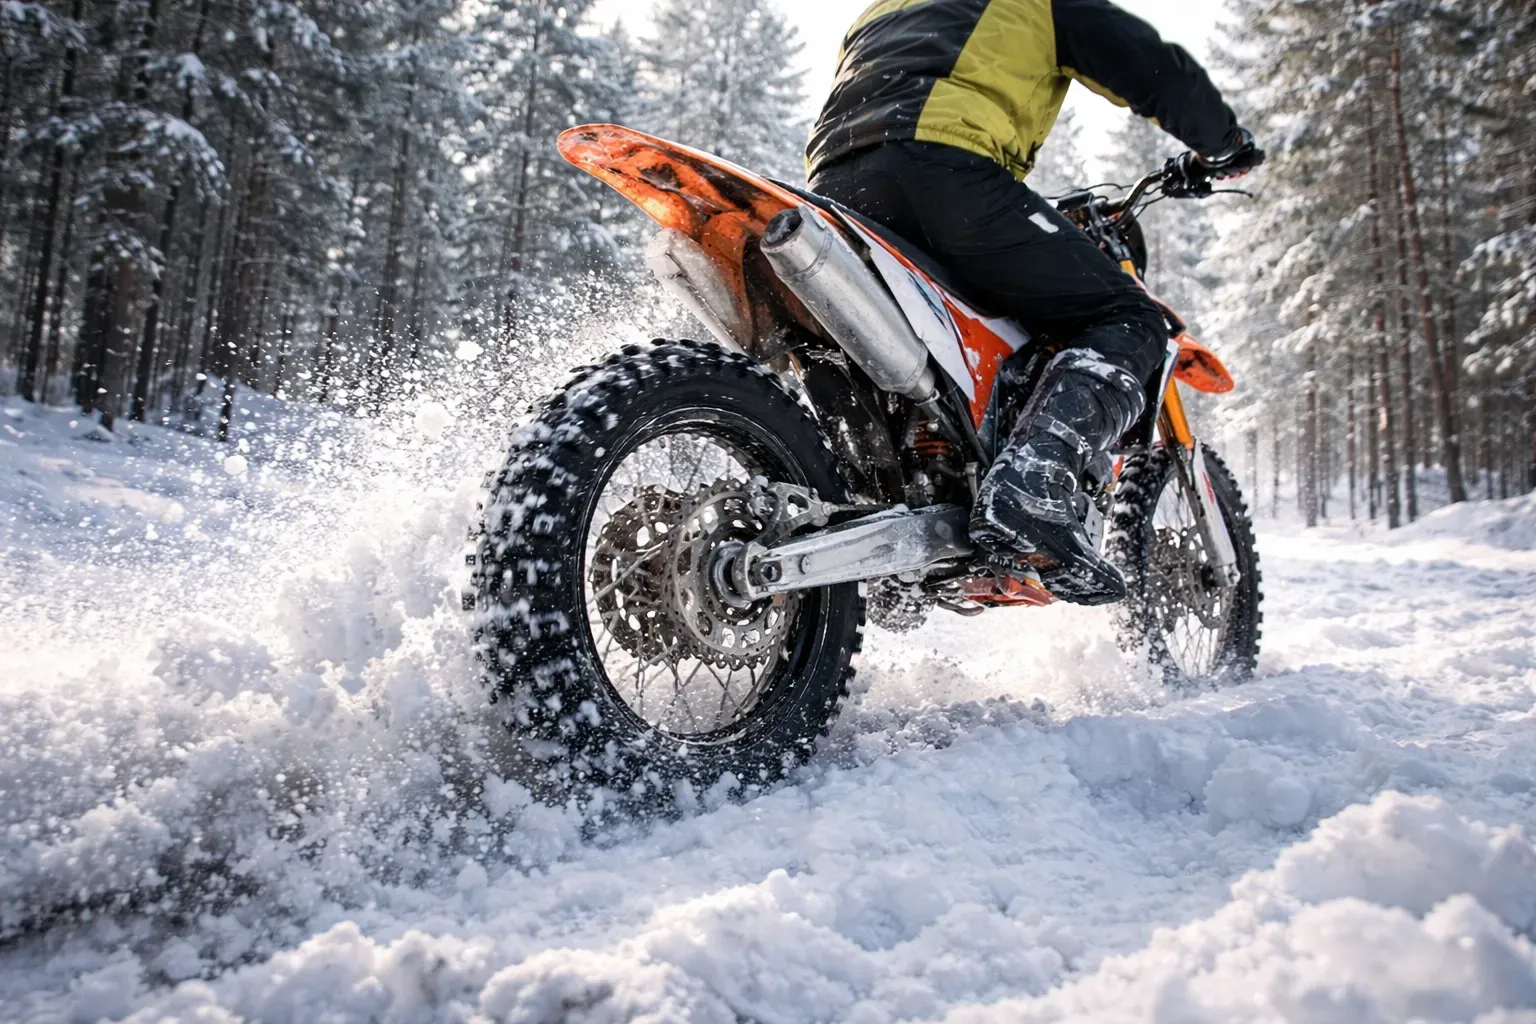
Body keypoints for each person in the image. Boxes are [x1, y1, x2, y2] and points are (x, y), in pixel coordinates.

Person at [806, 0, 1264, 605]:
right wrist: (1223, 145)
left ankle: (895, 497)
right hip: (944, 168)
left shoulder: (885, 8)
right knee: (1130, 319)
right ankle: (1034, 484)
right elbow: (1149, 66)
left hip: (831, 188)